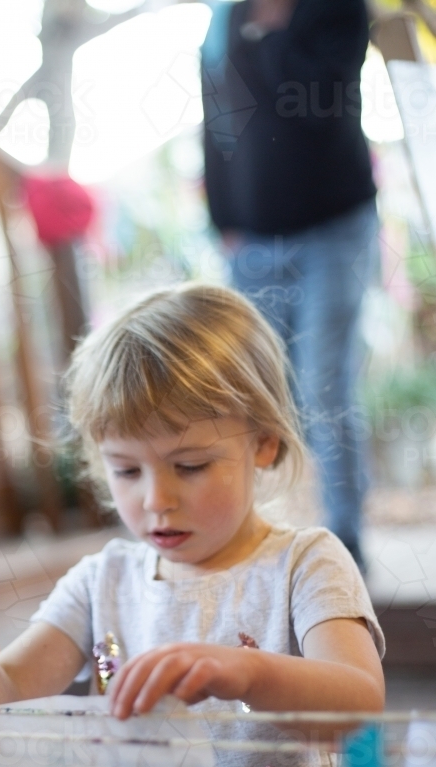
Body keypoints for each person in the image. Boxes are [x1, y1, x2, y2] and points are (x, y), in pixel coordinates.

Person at [0, 284, 385, 767]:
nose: (157, 499)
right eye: (127, 471)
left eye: (190, 466)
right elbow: (11, 687)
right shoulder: (101, 582)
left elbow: (361, 707)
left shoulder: (305, 564)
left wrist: (248, 670)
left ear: (265, 443)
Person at [201, 0, 378, 569]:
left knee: (326, 383)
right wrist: (223, 219)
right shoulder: (222, 20)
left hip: (334, 231)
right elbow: (219, 121)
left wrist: (269, 36)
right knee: (258, 393)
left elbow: (322, 105)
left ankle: (346, 541)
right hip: (250, 241)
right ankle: (255, 540)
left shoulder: (339, 9)